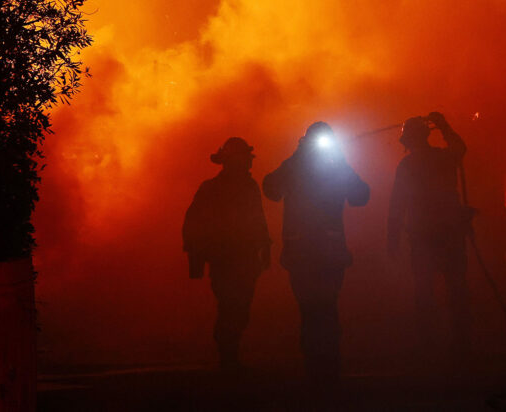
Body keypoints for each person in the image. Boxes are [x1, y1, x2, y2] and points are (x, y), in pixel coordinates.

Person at [262, 121, 370, 382]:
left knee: (320, 310)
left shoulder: (334, 168)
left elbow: (360, 196)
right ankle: (319, 368)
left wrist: (342, 163)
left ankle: (325, 368)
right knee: (315, 310)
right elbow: (271, 189)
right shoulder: (296, 167)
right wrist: (297, 158)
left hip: (318, 255)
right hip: (310, 255)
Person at [387, 111, 472, 359]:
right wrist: (444, 126)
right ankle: (462, 342)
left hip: (424, 237)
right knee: (456, 288)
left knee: (425, 291)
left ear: (407, 143)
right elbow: (460, 148)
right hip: (448, 233)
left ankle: (429, 345)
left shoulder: (406, 166)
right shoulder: (443, 158)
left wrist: (392, 239)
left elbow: (396, 206)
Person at [183, 136, 271, 371]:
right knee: (229, 307)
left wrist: (265, 246)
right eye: (244, 159)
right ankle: (227, 356)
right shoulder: (211, 189)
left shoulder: (249, 188)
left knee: (239, 309)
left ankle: (229, 352)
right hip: (224, 261)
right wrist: (196, 258)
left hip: (246, 260)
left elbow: (258, 220)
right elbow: (193, 224)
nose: (248, 164)